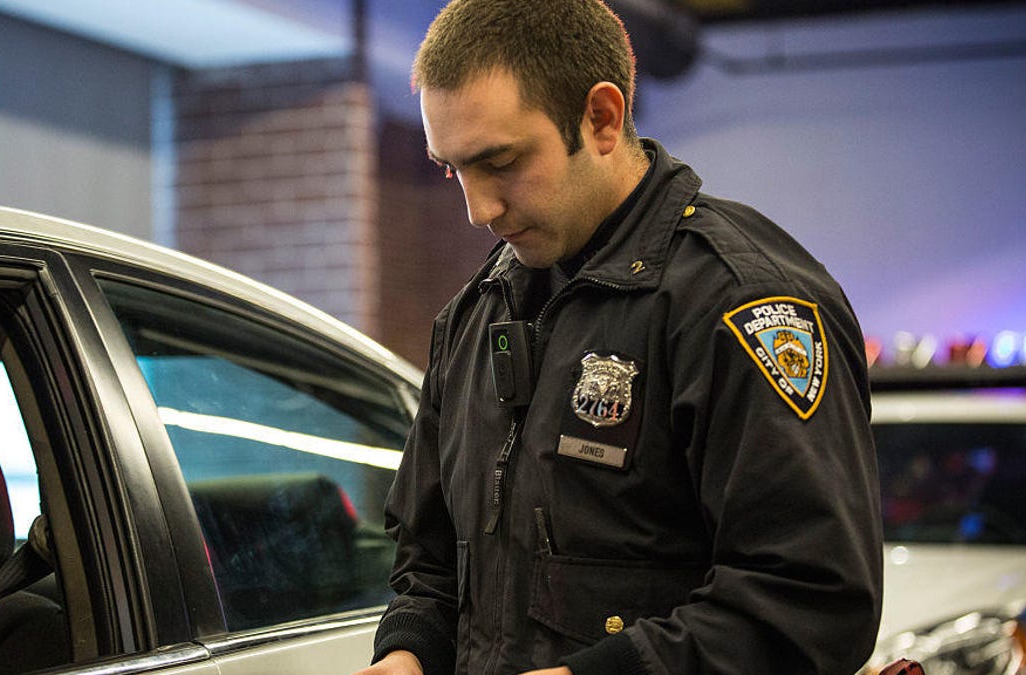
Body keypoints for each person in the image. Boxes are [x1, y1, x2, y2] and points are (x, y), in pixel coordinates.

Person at [354, 0, 883, 672]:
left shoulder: (740, 303)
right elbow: (428, 560)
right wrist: (407, 649)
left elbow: (813, 603)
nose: (477, 209)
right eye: (453, 168)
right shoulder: (476, 315)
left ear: (601, 118)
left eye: (502, 162)